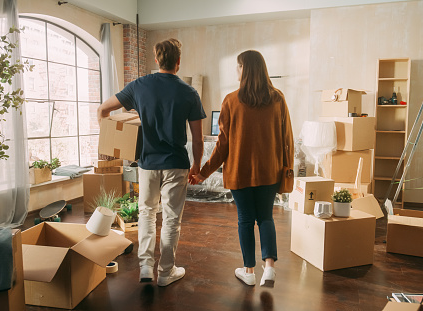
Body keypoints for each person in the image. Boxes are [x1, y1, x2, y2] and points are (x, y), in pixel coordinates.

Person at [97, 38, 206, 287]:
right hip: (176, 163)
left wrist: (105, 138)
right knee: (171, 219)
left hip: (147, 163)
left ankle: (145, 267)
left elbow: (103, 109)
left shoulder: (139, 86)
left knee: (146, 213)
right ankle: (166, 272)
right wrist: (197, 166)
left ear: (156, 61)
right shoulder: (189, 92)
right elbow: (197, 139)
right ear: (178, 63)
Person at [191, 50, 294, 287]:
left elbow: (222, 145)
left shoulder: (230, 100)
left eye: (237, 67)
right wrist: (287, 168)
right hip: (270, 171)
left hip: (240, 172)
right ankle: (269, 267)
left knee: (245, 220)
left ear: (243, 69)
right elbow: (286, 137)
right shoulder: (277, 98)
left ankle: (248, 270)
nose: (236, 71)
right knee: (266, 218)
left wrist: (203, 172)